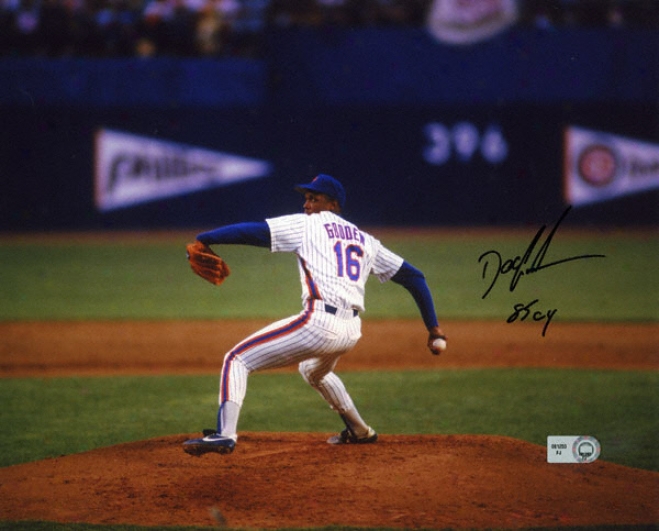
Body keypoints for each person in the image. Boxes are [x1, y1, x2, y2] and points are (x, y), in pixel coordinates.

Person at [182, 174, 446, 455]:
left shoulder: (309, 224)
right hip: (351, 330)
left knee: (236, 358)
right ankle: (360, 431)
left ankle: (225, 434)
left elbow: (255, 232)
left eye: (314, 198)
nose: (306, 204)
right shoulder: (366, 240)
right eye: (306, 198)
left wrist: (206, 238)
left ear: (333, 204)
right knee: (313, 370)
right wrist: (434, 328)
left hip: (319, 324)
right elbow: (414, 277)